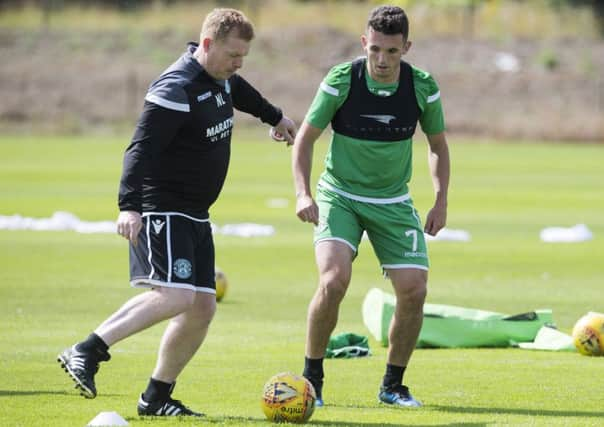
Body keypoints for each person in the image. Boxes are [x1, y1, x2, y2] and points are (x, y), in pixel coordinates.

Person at [57, 8, 296, 417]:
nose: (238, 63)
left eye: (244, 56)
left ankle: (156, 397)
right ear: (207, 44)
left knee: (202, 308)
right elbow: (140, 148)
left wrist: (274, 116)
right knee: (175, 295)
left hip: (194, 213)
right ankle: (87, 350)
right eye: (232, 55)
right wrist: (128, 207)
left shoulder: (218, 78)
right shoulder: (176, 86)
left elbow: (237, 89)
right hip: (163, 209)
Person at [292, 5, 450, 408]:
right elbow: (305, 140)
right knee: (333, 281)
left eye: (392, 52)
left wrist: (440, 199)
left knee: (414, 289)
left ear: (406, 48)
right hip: (339, 195)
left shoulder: (422, 87)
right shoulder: (342, 80)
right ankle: (312, 379)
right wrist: (303, 193)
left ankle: (392, 386)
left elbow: (437, 147)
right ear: (364, 43)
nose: (381, 60)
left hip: (393, 201)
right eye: (375, 49)